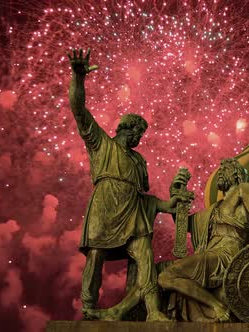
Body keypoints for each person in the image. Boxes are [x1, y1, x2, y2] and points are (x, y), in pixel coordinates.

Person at [67, 48, 177, 321]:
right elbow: (79, 111)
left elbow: (145, 198)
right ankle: (89, 305)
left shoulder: (139, 161)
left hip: (133, 213)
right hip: (105, 205)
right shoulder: (101, 143)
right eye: (138, 132)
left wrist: (167, 205)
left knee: (145, 258)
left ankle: (153, 311)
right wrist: (78, 79)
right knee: (96, 255)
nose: (140, 137)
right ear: (127, 129)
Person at [158, 158, 249, 322]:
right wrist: (176, 196)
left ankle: (217, 306)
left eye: (225, 169)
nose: (219, 173)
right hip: (210, 254)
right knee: (161, 272)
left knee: (166, 276)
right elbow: (183, 225)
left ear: (236, 174)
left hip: (226, 255)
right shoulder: (214, 209)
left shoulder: (243, 189)